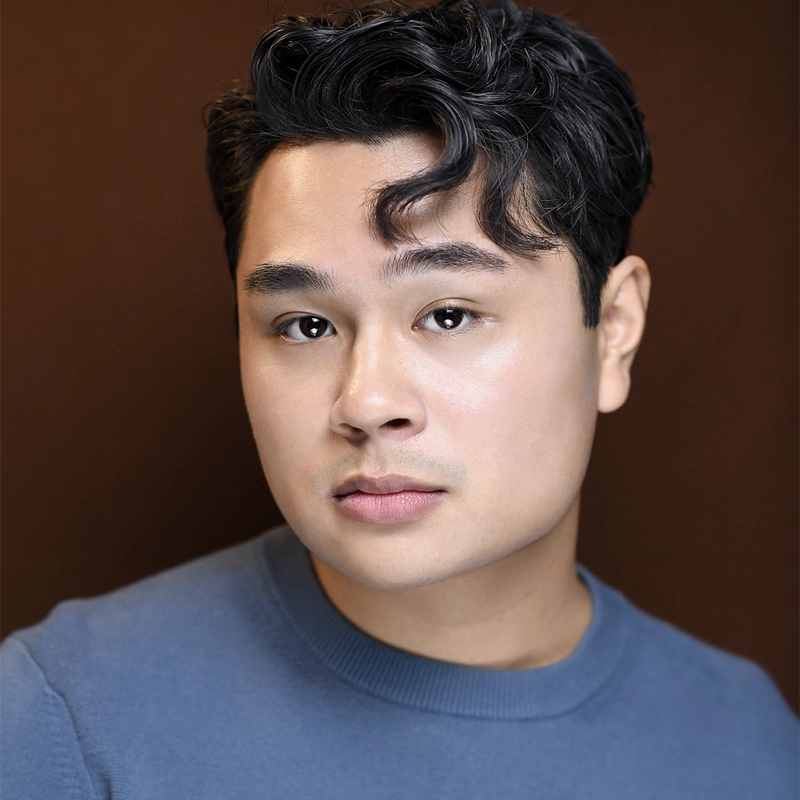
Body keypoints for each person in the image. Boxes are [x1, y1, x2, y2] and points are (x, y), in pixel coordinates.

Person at [2, 0, 796, 796]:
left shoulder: (749, 741)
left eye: (449, 314)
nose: (367, 400)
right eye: (306, 324)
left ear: (614, 329)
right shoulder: (64, 719)